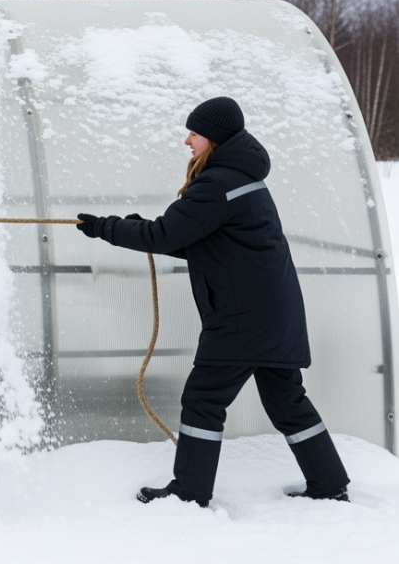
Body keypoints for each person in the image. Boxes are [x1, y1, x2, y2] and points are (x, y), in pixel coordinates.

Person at [76, 96, 350, 508]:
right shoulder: (242, 178)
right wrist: (137, 228)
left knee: (203, 400)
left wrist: (105, 228)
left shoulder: (217, 184)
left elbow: (166, 235)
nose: (187, 141)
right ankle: (330, 484)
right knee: (287, 402)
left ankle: (189, 494)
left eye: (195, 133)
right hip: (274, 312)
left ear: (215, 138)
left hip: (243, 318)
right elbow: (202, 241)